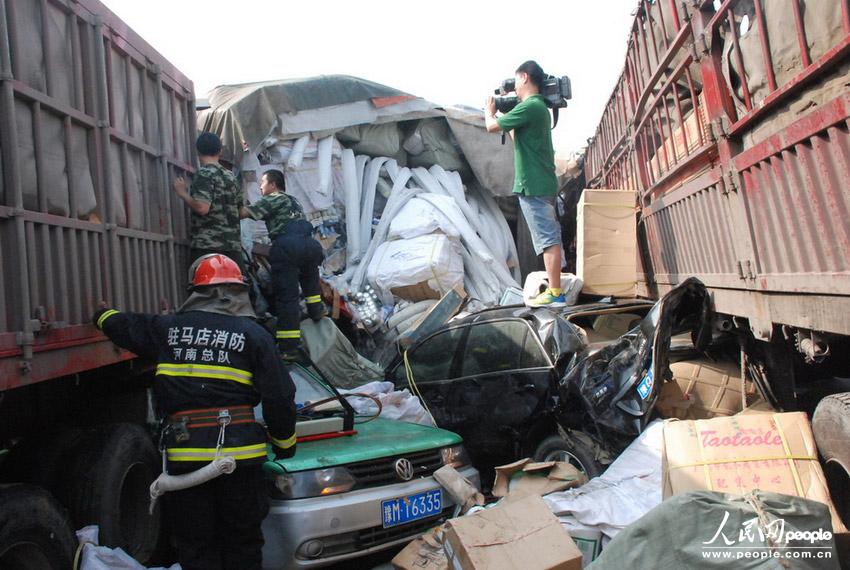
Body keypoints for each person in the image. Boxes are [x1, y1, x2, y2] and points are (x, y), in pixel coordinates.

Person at [93, 253, 296, 570]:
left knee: (195, 545)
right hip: (240, 457)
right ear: (240, 291)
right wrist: (285, 444)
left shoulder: (167, 329)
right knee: (242, 542)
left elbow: (126, 325)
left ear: (194, 291)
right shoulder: (256, 336)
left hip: (186, 457)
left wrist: (102, 315)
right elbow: (281, 395)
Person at [485, 60, 565, 307]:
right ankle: (554, 289)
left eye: (517, 79)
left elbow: (490, 126)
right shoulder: (536, 109)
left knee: (547, 239)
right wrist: (506, 117)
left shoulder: (530, 106)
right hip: (537, 183)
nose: (515, 86)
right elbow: (513, 134)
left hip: (534, 185)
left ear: (524, 78)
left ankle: (555, 293)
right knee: (547, 237)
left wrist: (489, 110)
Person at [240, 169, 325, 359]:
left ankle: (289, 348)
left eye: (263, 182)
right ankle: (317, 312)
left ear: (273, 184)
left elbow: (245, 213)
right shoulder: (293, 201)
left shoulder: (273, 198)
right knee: (310, 284)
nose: (260, 187)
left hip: (287, 246)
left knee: (287, 298)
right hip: (311, 245)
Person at [173, 132, 245, 273]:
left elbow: (202, 208)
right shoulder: (231, 177)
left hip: (208, 247)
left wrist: (182, 193)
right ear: (220, 151)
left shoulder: (204, 174)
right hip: (232, 248)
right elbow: (241, 211)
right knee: (237, 290)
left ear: (198, 151)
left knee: (204, 291)